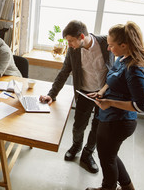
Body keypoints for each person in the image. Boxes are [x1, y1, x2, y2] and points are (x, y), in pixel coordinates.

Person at [39, 20, 114, 173]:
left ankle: (87, 154)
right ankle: (76, 146)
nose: (69, 45)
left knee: (97, 128)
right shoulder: (73, 50)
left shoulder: (106, 43)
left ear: (81, 36)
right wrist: (51, 95)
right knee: (78, 126)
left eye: (71, 41)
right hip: (85, 93)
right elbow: (64, 72)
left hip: (105, 94)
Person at [86, 22, 144, 190]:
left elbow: (141, 106)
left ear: (124, 45)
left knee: (107, 157)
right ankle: (128, 188)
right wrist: (101, 92)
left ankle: (108, 187)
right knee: (110, 155)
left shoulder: (135, 70)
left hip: (119, 122)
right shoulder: (122, 58)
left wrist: (110, 102)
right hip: (109, 117)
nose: (108, 48)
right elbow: (112, 79)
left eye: (111, 45)